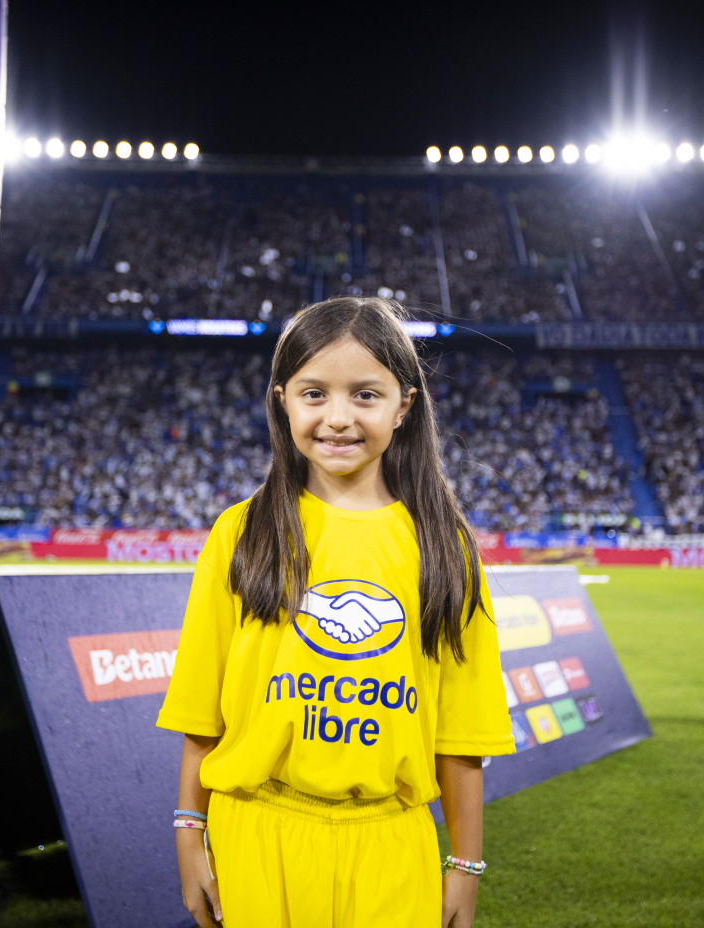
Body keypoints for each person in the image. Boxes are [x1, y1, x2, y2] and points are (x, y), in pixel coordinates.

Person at [156, 296, 515, 927]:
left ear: (404, 406)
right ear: (283, 401)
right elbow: (201, 712)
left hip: (391, 839)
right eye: (314, 393)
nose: (338, 417)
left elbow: (460, 734)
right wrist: (190, 831)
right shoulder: (241, 533)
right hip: (255, 830)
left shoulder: (445, 546)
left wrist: (465, 864)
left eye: (366, 395)